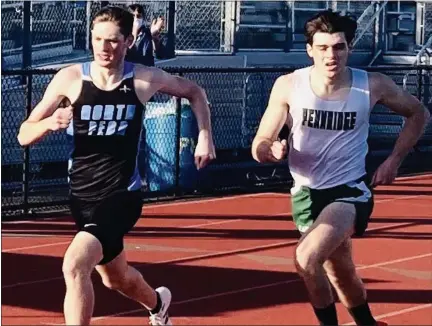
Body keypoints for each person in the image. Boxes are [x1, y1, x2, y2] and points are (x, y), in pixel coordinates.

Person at [17, 6, 215, 326]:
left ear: (127, 42)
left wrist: (205, 136)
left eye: (111, 41)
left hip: (122, 194)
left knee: (75, 265)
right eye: (97, 39)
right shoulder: (70, 79)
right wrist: (49, 123)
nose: (103, 48)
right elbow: (24, 135)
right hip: (81, 197)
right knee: (117, 278)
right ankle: (158, 304)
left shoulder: (142, 79)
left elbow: (194, 92)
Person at [252, 9, 429, 326]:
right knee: (341, 273)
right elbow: (260, 141)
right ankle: (368, 323)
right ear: (309, 50)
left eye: (338, 47)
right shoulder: (289, 86)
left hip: (349, 191)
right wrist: (271, 149)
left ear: (349, 48)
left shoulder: (372, 85)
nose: (330, 55)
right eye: (322, 48)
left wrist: (394, 160)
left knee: (306, 258)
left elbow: (418, 113)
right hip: (306, 193)